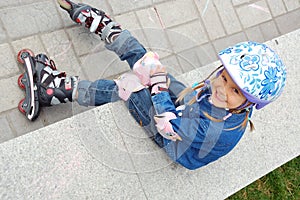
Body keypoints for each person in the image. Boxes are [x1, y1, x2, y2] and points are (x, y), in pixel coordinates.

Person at [24, 0, 287, 170]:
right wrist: (156, 77)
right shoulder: (230, 101)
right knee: (148, 64)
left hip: (175, 138)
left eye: (234, 91)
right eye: (225, 77)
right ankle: (108, 29)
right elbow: (192, 98)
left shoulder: (213, 129)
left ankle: (57, 90)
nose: (221, 88)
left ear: (251, 102)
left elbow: (167, 124)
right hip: (188, 111)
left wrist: (157, 88)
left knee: (129, 86)